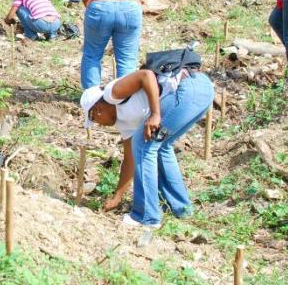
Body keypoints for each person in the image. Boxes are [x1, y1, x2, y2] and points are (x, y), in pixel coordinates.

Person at [81, 67, 214, 228]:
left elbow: (146, 75)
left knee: (145, 144)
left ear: (98, 109)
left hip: (190, 87)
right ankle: (181, 208)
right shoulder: (124, 123)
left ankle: (146, 216)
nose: (97, 124)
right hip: (201, 92)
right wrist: (118, 197)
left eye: (94, 119)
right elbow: (130, 161)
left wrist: (155, 114)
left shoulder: (112, 92)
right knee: (160, 146)